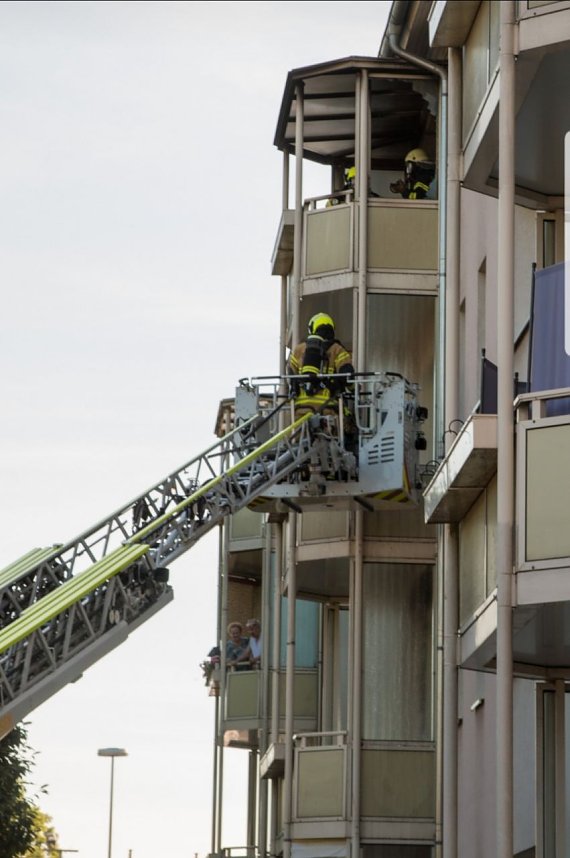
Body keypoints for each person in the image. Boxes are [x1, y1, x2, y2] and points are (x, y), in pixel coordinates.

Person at [287, 312, 355, 415]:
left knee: (298, 431)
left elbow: (289, 374)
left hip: (301, 408)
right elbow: (348, 377)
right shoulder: (338, 350)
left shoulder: (298, 350)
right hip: (328, 407)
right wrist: (355, 390)